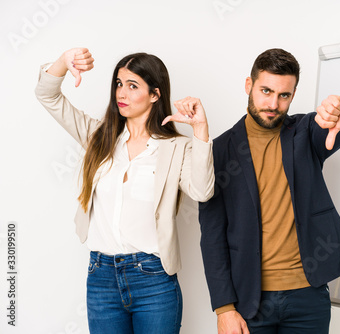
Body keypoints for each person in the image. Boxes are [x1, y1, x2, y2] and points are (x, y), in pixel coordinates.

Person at [35, 48, 214, 334]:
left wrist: (201, 130)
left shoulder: (176, 148)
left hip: (153, 280)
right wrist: (62, 63)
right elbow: (48, 96)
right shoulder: (99, 137)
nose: (122, 93)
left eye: (133, 86)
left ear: (155, 94)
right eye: (119, 83)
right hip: (101, 277)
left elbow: (203, 191)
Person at [198, 48, 340, 334]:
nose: (273, 103)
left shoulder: (304, 131)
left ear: (293, 95)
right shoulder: (219, 151)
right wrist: (223, 309)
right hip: (250, 300)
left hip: (308, 296)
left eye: (283, 95)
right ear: (249, 86)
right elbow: (212, 236)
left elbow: (337, 125)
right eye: (266, 91)